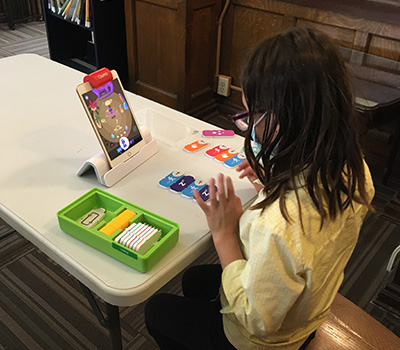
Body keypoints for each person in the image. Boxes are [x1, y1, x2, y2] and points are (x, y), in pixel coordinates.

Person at [144, 26, 375, 350]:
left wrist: (224, 233)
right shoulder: (355, 170)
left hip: (259, 340)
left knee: (157, 310)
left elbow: (256, 319)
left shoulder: (277, 226)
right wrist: (278, 175)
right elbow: (312, 239)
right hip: (308, 311)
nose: (247, 125)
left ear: (281, 123)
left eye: (250, 115)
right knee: (193, 279)